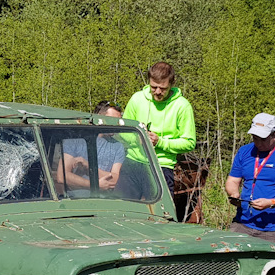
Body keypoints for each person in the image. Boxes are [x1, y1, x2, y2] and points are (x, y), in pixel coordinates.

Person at [225, 113, 275, 244]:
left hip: (273, 229)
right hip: (241, 224)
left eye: (263, 139)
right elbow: (233, 180)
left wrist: (271, 202)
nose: (258, 143)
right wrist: (233, 193)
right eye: (255, 138)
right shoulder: (244, 151)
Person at [120, 62, 196, 198]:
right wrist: (138, 138)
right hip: (132, 163)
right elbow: (123, 131)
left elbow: (189, 142)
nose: (158, 92)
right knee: (122, 208)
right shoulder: (137, 99)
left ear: (172, 84)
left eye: (163, 88)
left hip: (162, 167)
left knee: (160, 211)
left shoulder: (182, 106)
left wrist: (160, 142)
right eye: (153, 87)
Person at [58, 101, 126, 194]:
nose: (116, 124)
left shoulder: (117, 146)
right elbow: (62, 176)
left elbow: (116, 179)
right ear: (99, 117)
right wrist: (95, 185)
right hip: (74, 199)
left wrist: (89, 166)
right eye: (112, 120)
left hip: (105, 200)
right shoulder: (74, 140)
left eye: (118, 121)